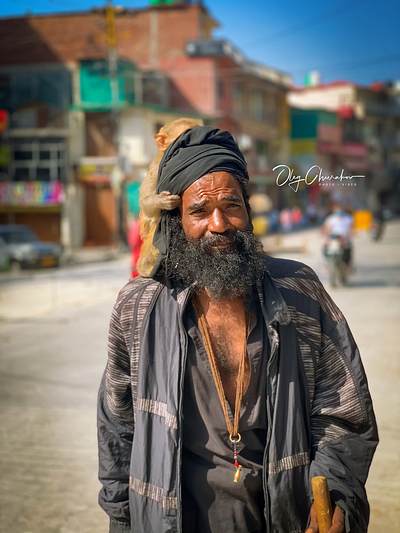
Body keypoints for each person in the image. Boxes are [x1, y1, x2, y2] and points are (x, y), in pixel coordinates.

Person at [97, 127, 378, 533]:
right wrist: (122, 520)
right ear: (176, 221)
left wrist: (338, 493)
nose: (219, 223)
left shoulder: (299, 290)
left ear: (248, 209)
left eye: (231, 205)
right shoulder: (138, 307)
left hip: (284, 518)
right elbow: (117, 429)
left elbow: (345, 414)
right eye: (199, 211)